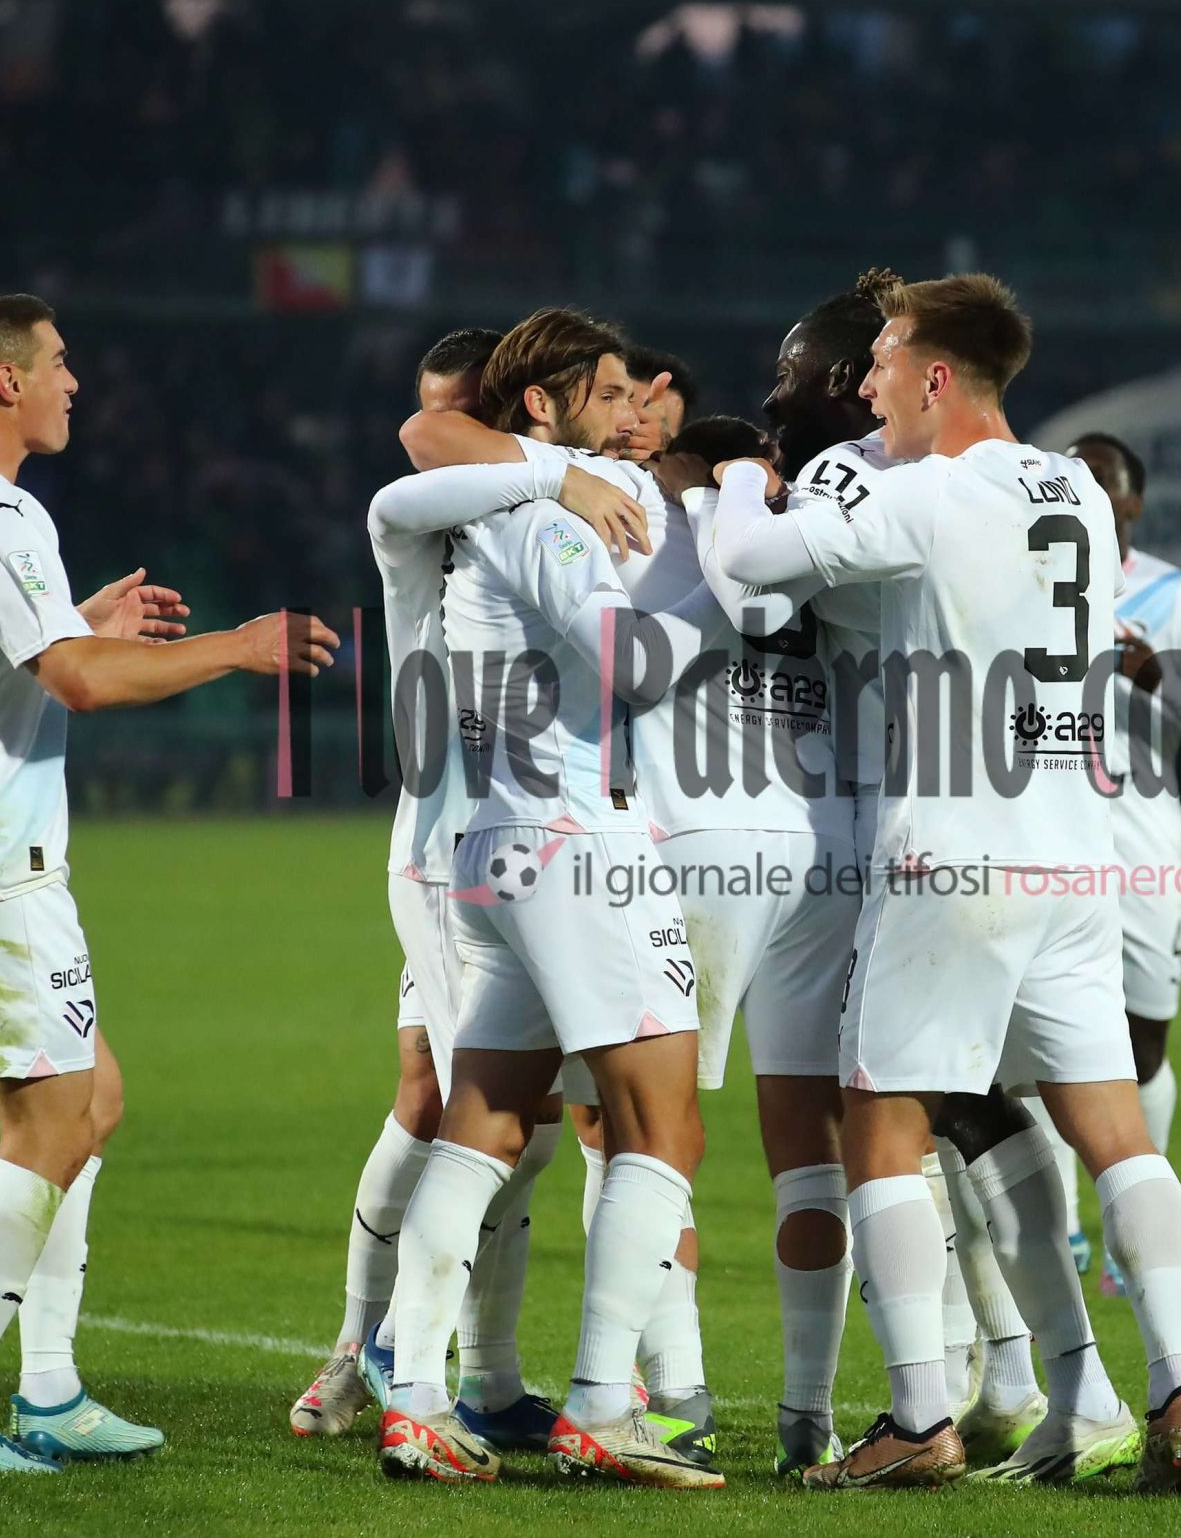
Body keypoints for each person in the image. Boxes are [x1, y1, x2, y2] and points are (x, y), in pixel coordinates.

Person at [702, 274, 1181, 1495]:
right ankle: (1176, 1385)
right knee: (1115, 1132)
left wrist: (730, 479)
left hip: (953, 852)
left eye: (881, 360)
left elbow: (752, 572)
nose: (866, 382)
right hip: (1075, 857)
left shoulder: (926, 495)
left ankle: (917, 1415)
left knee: (880, 1118)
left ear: (935, 375)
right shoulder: (1077, 491)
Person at [0, 294, 337, 1472]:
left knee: (90, 1105)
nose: (77, 382)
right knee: (48, 1125)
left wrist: (74, 618)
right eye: (62, 364)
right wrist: (235, 647)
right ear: (8, 382)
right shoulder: (0, 507)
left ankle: (56, 1389)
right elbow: (75, 684)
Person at [660, 270, 1054, 1474]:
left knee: (822, 1137)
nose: (774, 400)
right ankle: (1023, 1368)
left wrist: (721, 484)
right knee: (961, 1118)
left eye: (792, 376)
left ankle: (807, 1412)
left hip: (847, 832)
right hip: (1000, 822)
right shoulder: (1003, 482)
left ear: (848, 382)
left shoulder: (837, 478)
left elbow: (751, 592)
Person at [372, 308, 723, 1490]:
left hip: (492, 849)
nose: (632, 416)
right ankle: (597, 1407)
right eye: (610, 394)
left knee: (486, 1122)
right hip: (576, 846)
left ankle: (417, 1399)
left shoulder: (509, 510)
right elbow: (634, 663)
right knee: (660, 1126)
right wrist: (726, 615)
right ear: (543, 407)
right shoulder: (543, 517)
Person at [291, 325, 624, 1450]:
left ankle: (482, 1375)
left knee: (494, 1115)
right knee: (464, 1109)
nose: (446, 455)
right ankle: (370, 1354)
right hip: (447, 852)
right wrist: (558, 471)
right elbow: (414, 449)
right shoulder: (434, 523)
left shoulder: (528, 523)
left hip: (519, 845)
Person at [1029, 432, 1181, 1298]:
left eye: (1102, 492)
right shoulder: (1025, 577)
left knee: (1143, 1041)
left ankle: (1127, 1222)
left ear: (1132, 508)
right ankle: (1067, 1231)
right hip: (1041, 835)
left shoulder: (1175, 596)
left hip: (1143, 849)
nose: (1083, 501)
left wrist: (1157, 678)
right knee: (1036, 1038)